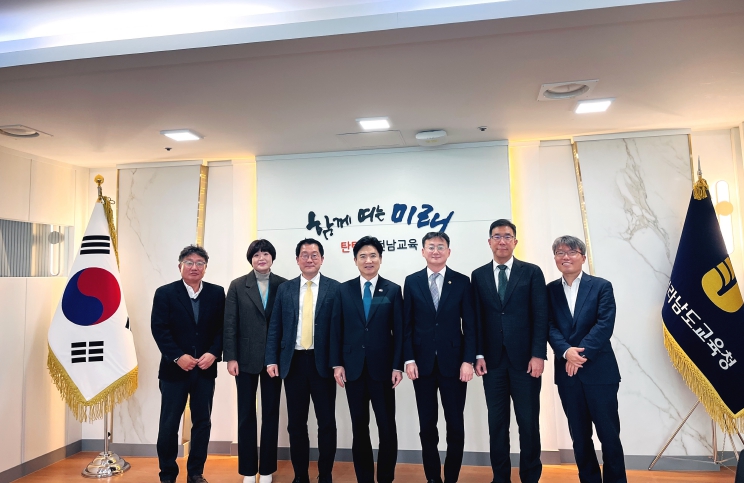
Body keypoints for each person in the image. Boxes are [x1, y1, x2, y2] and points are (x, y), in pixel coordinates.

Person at [471, 219, 548, 483]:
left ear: (515, 241)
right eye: (497, 236)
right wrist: (478, 354)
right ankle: (500, 477)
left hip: (526, 361)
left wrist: (538, 354)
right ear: (489, 242)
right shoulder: (478, 275)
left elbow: (541, 316)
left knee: (528, 423)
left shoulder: (532, 272)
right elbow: (476, 319)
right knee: (497, 424)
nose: (502, 241)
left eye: (507, 236)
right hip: (492, 362)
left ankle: (530, 477)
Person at [547, 235, 626, 483]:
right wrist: (565, 351)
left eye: (571, 252)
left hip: (600, 372)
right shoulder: (548, 291)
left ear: (582, 257)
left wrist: (578, 354)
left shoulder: (601, 286)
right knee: (580, 437)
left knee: (609, 435)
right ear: (555, 258)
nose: (566, 257)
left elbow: (605, 325)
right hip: (568, 376)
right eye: (560, 253)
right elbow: (548, 325)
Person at [265, 238, 340, 483]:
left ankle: (325, 475)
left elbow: (341, 329)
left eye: (314, 254)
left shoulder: (335, 288)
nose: (309, 259)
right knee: (296, 424)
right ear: (297, 260)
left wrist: (338, 363)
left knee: (326, 423)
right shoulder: (285, 289)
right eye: (304, 255)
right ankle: (300, 476)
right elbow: (275, 326)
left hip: (323, 364)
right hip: (293, 363)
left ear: (322, 259)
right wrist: (271, 359)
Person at [403, 231, 476, 483]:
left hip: (454, 365)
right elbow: (406, 325)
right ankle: (433, 477)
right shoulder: (412, 281)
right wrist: (409, 359)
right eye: (431, 247)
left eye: (440, 247)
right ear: (423, 251)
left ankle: (451, 477)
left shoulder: (462, 281)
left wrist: (468, 360)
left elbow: (470, 325)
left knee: (455, 425)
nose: (436, 251)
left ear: (448, 251)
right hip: (421, 365)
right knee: (427, 426)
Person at [330, 236, 404, 483]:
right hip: (353, 370)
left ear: (380, 259)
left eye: (373, 255)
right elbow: (336, 330)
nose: (368, 260)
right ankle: (364, 478)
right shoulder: (343, 290)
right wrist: (337, 364)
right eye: (362, 256)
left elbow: (399, 332)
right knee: (359, 428)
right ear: (355, 261)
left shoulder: (392, 290)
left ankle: (385, 478)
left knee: (387, 427)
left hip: (383, 370)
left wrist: (397, 366)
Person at [151, 245, 225, 483]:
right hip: (174, 371)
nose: (195, 267)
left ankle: (195, 473)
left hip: (204, 369)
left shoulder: (216, 293)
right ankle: (167, 474)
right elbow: (159, 329)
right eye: (189, 262)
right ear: (180, 266)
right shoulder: (165, 293)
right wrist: (177, 356)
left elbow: (222, 329)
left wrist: (213, 353)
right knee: (169, 424)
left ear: (205, 267)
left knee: (202, 422)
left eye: (200, 263)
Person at [223, 239, 288, 483]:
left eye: (266, 254)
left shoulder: (283, 285)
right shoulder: (238, 285)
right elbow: (230, 324)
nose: (261, 258)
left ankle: (267, 469)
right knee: (246, 414)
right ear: (251, 259)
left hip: (274, 360)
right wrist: (231, 357)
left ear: (272, 257)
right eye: (256, 254)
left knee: (270, 414)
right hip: (244, 359)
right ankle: (249, 470)